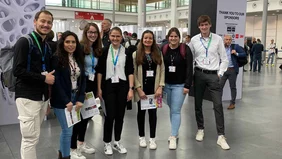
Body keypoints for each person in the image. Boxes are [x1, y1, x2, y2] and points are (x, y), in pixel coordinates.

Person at [13, 10, 54, 159]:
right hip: (27, 96)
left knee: (34, 136)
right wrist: (43, 79)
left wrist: (47, 99)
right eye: (42, 21)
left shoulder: (46, 45)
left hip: (41, 97)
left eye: (49, 22)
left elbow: (46, 73)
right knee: (29, 139)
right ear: (35, 21)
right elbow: (17, 71)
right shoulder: (25, 41)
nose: (45, 25)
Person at [188, 15, 230, 150]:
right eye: (201, 25)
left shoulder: (217, 39)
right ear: (199, 26)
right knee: (198, 104)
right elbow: (190, 58)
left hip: (213, 75)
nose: (204, 27)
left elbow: (224, 59)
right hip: (199, 74)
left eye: (206, 24)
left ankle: (221, 136)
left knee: (218, 105)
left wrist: (220, 73)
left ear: (210, 25)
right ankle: (200, 129)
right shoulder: (194, 40)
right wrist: (191, 75)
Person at [96, 27, 134, 155]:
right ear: (109, 36)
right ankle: (107, 142)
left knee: (120, 116)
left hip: (123, 86)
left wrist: (130, 89)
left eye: (118, 36)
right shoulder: (104, 51)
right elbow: (100, 71)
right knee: (109, 115)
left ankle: (117, 141)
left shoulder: (126, 52)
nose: (115, 38)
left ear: (121, 38)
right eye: (113, 36)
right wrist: (99, 88)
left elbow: (130, 71)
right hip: (108, 86)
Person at [51, 31, 86, 159]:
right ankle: (66, 156)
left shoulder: (78, 57)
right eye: (67, 42)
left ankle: (62, 153)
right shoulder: (56, 58)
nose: (70, 45)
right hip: (61, 100)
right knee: (67, 131)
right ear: (62, 43)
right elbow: (57, 82)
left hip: (75, 97)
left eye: (73, 42)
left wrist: (80, 98)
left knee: (68, 129)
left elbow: (83, 79)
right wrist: (67, 100)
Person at [70, 23, 102, 159]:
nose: (92, 35)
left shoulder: (97, 48)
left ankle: (81, 143)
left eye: (95, 32)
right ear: (85, 33)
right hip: (81, 85)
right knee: (77, 118)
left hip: (92, 85)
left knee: (87, 116)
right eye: (90, 32)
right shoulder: (81, 48)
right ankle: (72, 148)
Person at [133, 30, 165, 150]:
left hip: (155, 89)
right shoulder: (136, 54)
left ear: (153, 40)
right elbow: (134, 73)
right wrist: (138, 89)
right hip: (142, 89)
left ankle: (152, 139)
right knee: (141, 114)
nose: (148, 40)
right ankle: (142, 137)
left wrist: (160, 87)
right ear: (142, 39)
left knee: (153, 114)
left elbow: (162, 71)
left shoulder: (158, 53)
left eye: (150, 38)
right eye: (145, 38)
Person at [162, 27, 193, 150]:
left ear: (179, 38)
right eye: (171, 36)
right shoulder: (164, 48)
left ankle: (173, 136)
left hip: (180, 85)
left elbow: (189, 68)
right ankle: (175, 130)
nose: (173, 38)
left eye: (175, 36)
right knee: (172, 109)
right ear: (168, 37)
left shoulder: (185, 49)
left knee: (175, 110)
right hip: (166, 85)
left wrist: (187, 85)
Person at [220, 35, 246, 110]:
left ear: (231, 40)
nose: (228, 41)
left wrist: (236, 53)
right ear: (224, 40)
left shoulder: (235, 46)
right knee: (219, 87)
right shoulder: (221, 47)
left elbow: (244, 54)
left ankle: (232, 103)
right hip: (223, 70)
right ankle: (218, 103)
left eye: (229, 39)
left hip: (232, 70)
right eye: (226, 39)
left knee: (233, 87)